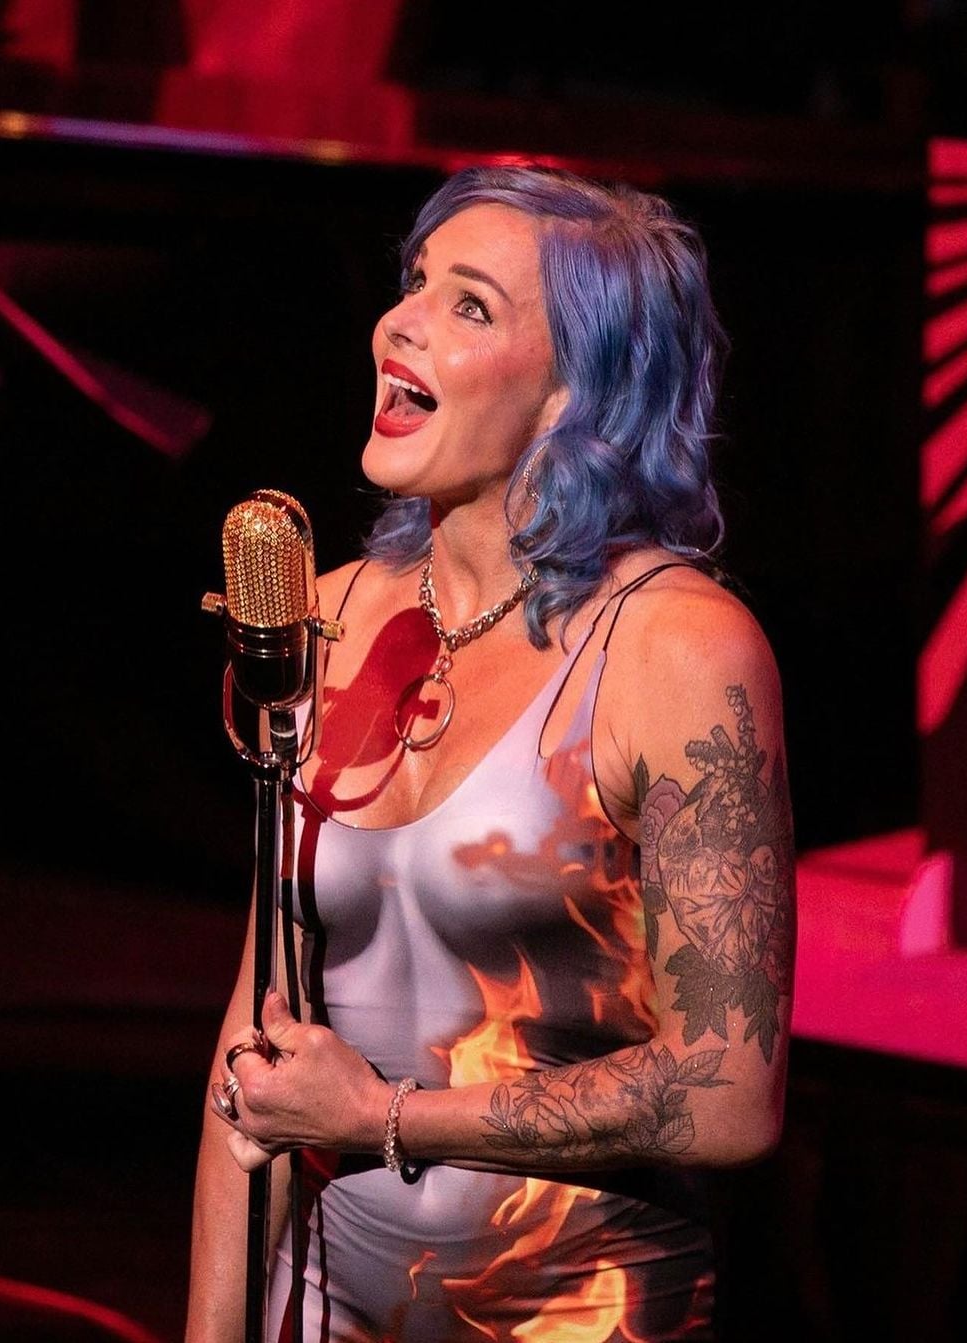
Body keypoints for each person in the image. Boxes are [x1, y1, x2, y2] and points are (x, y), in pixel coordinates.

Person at [186, 165, 795, 1342]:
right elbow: (254, 1049)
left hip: (581, 1314)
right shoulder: (327, 617)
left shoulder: (676, 647)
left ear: (574, 395)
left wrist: (381, 1116)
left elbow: (731, 1091)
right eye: (414, 282)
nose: (399, 323)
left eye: (468, 305)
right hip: (321, 1310)